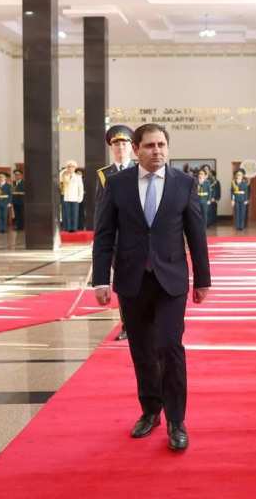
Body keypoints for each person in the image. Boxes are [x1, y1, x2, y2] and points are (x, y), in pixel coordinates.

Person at [92, 123, 212, 453]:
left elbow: (196, 234)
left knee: (170, 346)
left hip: (171, 280)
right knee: (142, 350)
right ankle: (150, 411)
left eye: (161, 145)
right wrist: (100, 279)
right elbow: (104, 234)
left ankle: (176, 420)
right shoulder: (117, 185)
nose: (156, 150)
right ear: (136, 149)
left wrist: (203, 279)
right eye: (149, 145)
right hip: (132, 280)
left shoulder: (183, 184)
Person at [94, 124, 136, 341]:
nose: (120, 147)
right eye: (116, 144)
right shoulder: (104, 175)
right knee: (124, 284)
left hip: (139, 235)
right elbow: (101, 210)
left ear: (132, 147)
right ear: (111, 148)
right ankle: (127, 325)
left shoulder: (141, 169)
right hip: (117, 239)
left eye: (124, 143)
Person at [61, 160, 84, 232]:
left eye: (72, 167)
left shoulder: (78, 177)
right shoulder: (64, 176)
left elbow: (81, 188)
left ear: (75, 168)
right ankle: (67, 228)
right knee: (67, 214)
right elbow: (60, 179)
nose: (70, 168)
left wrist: (80, 197)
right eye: (69, 167)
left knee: (74, 214)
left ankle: (74, 229)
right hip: (66, 198)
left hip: (75, 198)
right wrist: (64, 170)